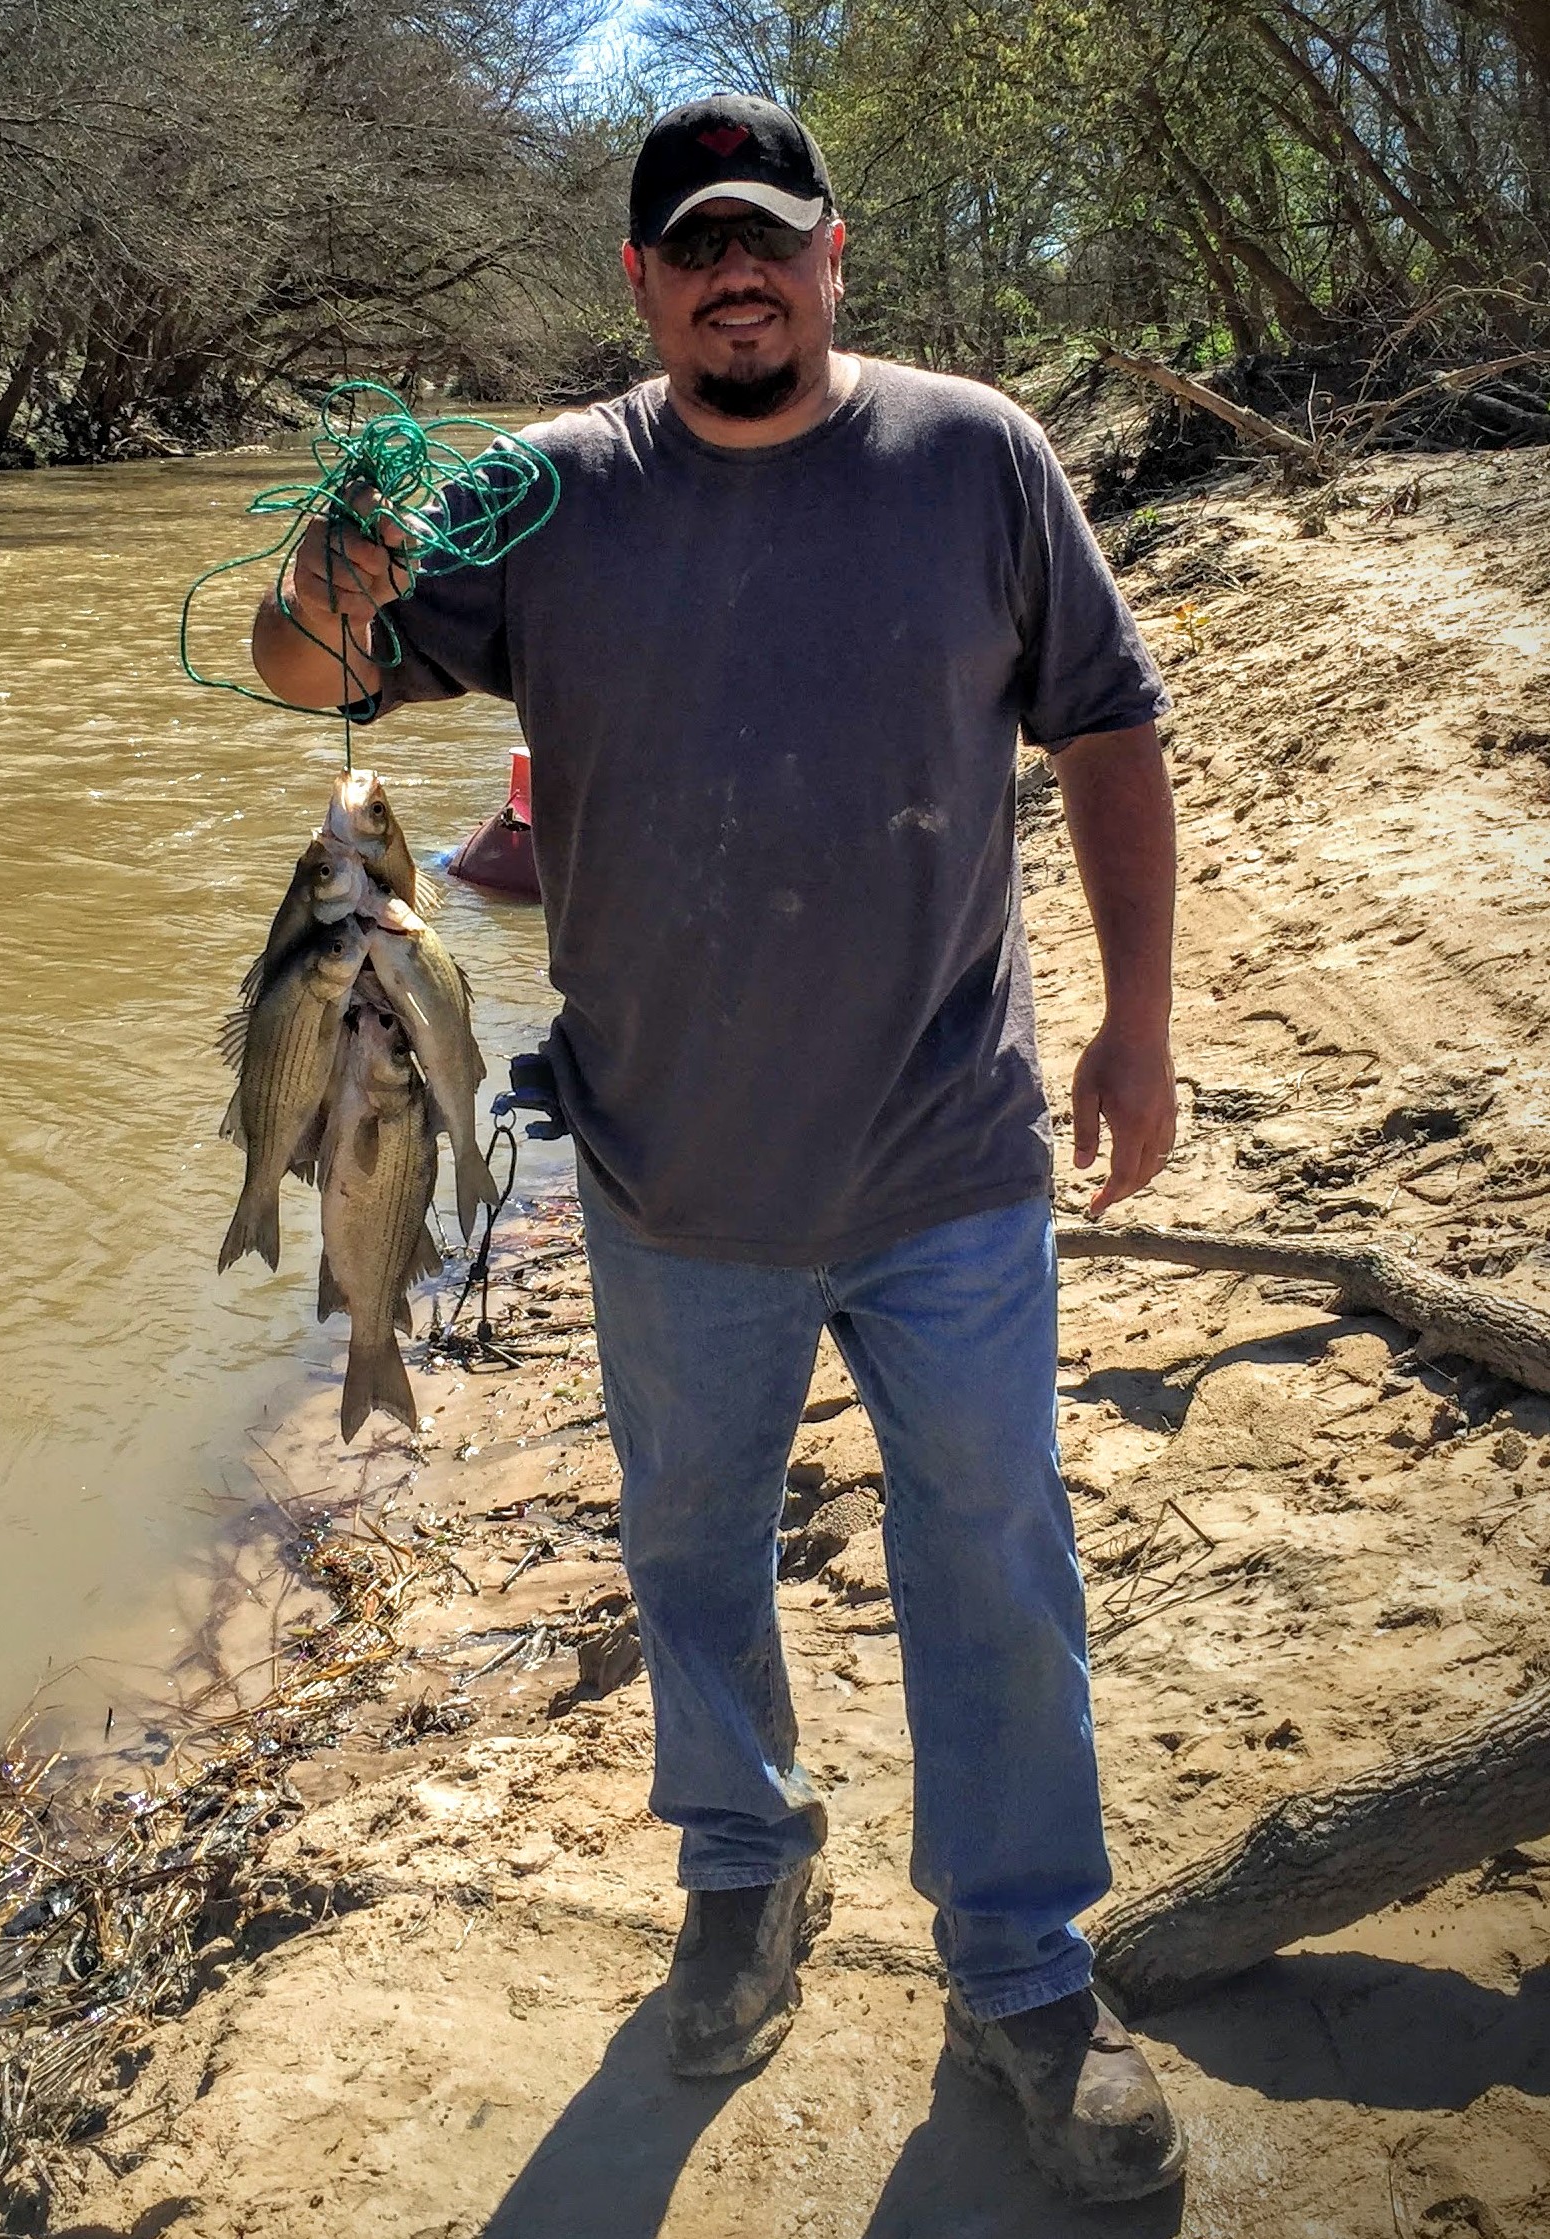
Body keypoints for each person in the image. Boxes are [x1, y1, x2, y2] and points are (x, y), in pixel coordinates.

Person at [252, 93, 1184, 2204]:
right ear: (640, 281)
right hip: (670, 1174)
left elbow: (1108, 719)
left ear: (830, 254)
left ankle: (1024, 1960)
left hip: (949, 1155)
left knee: (991, 1559)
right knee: (686, 1557)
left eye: (768, 237)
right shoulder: (536, 498)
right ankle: (747, 1867)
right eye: (695, 247)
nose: (734, 272)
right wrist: (331, 580)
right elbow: (303, 675)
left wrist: (1136, 1019)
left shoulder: (974, 455)